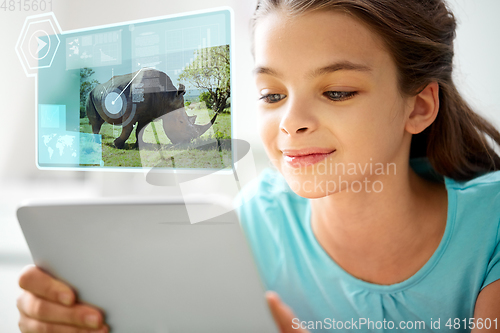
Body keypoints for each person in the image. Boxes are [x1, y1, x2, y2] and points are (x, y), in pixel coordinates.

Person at [16, 0, 500, 332]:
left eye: (336, 92)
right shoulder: (251, 224)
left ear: (418, 106)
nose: (291, 123)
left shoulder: (492, 227)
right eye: (272, 95)